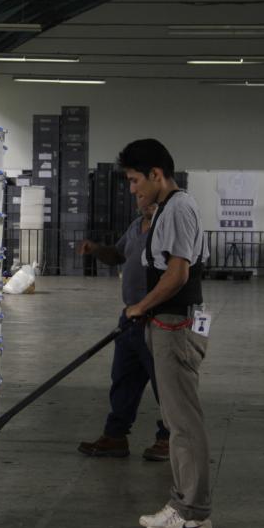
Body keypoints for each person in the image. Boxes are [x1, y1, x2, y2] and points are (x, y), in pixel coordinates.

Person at [119, 138, 214, 528]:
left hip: (175, 324)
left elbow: (177, 274)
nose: (132, 188)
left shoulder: (178, 208)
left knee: (183, 422)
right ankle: (181, 504)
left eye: (135, 179)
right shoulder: (165, 210)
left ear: (157, 174)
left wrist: (141, 306)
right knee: (176, 422)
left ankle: (193, 513)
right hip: (167, 322)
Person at [76, 196, 171, 461]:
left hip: (158, 318)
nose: (146, 203)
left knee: (166, 384)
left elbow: (179, 273)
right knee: (123, 379)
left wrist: (148, 307)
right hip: (130, 318)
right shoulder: (135, 226)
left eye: (152, 199)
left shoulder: (169, 228)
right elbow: (117, 255)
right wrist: (95, 249)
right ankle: (115, 436)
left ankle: (170, 437)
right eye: (141, 198)